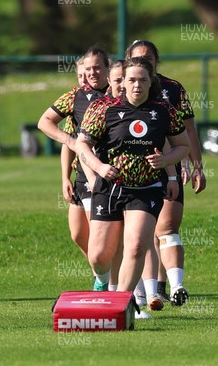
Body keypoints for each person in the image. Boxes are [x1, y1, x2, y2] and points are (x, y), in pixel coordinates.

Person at [76, 57, 190, 313]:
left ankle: (122, 306)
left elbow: (184, 146)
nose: (137, 85)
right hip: (109, 187)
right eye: (132, 80)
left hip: (146, 188)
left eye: (143, 80)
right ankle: (102, 282)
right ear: (122, 83)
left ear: (151, 83)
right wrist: (100, 167)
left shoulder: (164, 111)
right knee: (99, 255)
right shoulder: (104, 107)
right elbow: (81, 144)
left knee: (137, 245)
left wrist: (165, 161)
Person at [126, 39, 207, 306]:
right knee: (141, 235)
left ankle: (173, 287)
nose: (144, 61)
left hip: (171, 167)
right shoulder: (120, 92)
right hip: (132, 175)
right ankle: (147, 291)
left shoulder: (172, 90)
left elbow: (188, 131)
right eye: (138, 57)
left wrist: (196, 165)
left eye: (149, 57)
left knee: (166, 227)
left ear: (156, 61)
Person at [38, 46, 110, 278]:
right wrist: (64, 173)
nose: (92, 73)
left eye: (97, 67)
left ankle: (111, 284)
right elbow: (45, 122)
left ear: (108, 68)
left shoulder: (117, 92)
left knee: (101, 235)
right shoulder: (76, 96)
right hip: (81, 174)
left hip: (107, 174)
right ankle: (102, 274)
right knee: (79, 234)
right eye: (88, 69)